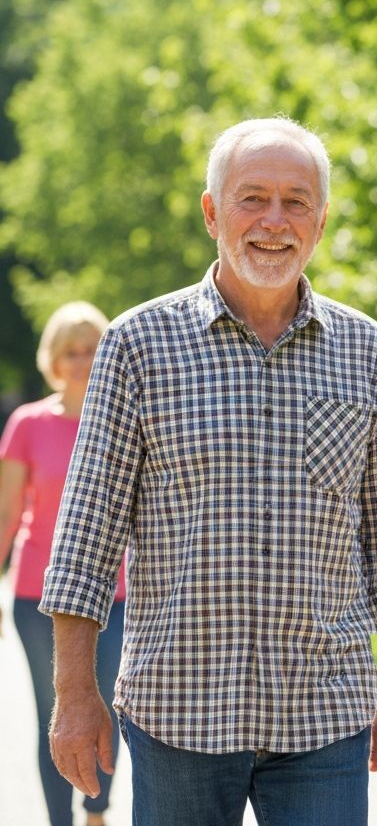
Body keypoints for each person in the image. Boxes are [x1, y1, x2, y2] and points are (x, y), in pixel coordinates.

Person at [40, 117, 377, 826]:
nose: (274, 222)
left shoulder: (366, 350)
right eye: (253, 198)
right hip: (177, 713)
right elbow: (85, 540)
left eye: (296, 200)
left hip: (324, 713)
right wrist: (75, 694)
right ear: (212, 212)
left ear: (321, 220)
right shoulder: (137, 345)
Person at [0, 302, 126, 826]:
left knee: (109, 708)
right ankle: (59, 821)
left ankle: (96, 810)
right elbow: (6, 512)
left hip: (116, 594)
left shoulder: (124, 421)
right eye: (70, 351)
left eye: (92, 348)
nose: (81, 361)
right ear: (53, 359)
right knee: (52, 713)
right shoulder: (28, 424)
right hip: (36, 594)